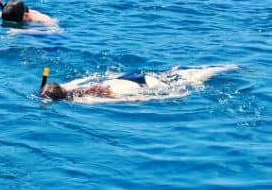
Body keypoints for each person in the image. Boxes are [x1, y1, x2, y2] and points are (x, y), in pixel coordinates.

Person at [40, 64, 237, 104]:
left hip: (134, 87)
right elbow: (84, 79)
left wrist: (173, 95)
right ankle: (226, 67)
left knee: (188, 82)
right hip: (124, 77)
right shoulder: (68, 86)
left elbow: (121, 99)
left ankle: (225, 68)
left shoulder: (83, 101)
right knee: (175, 74)